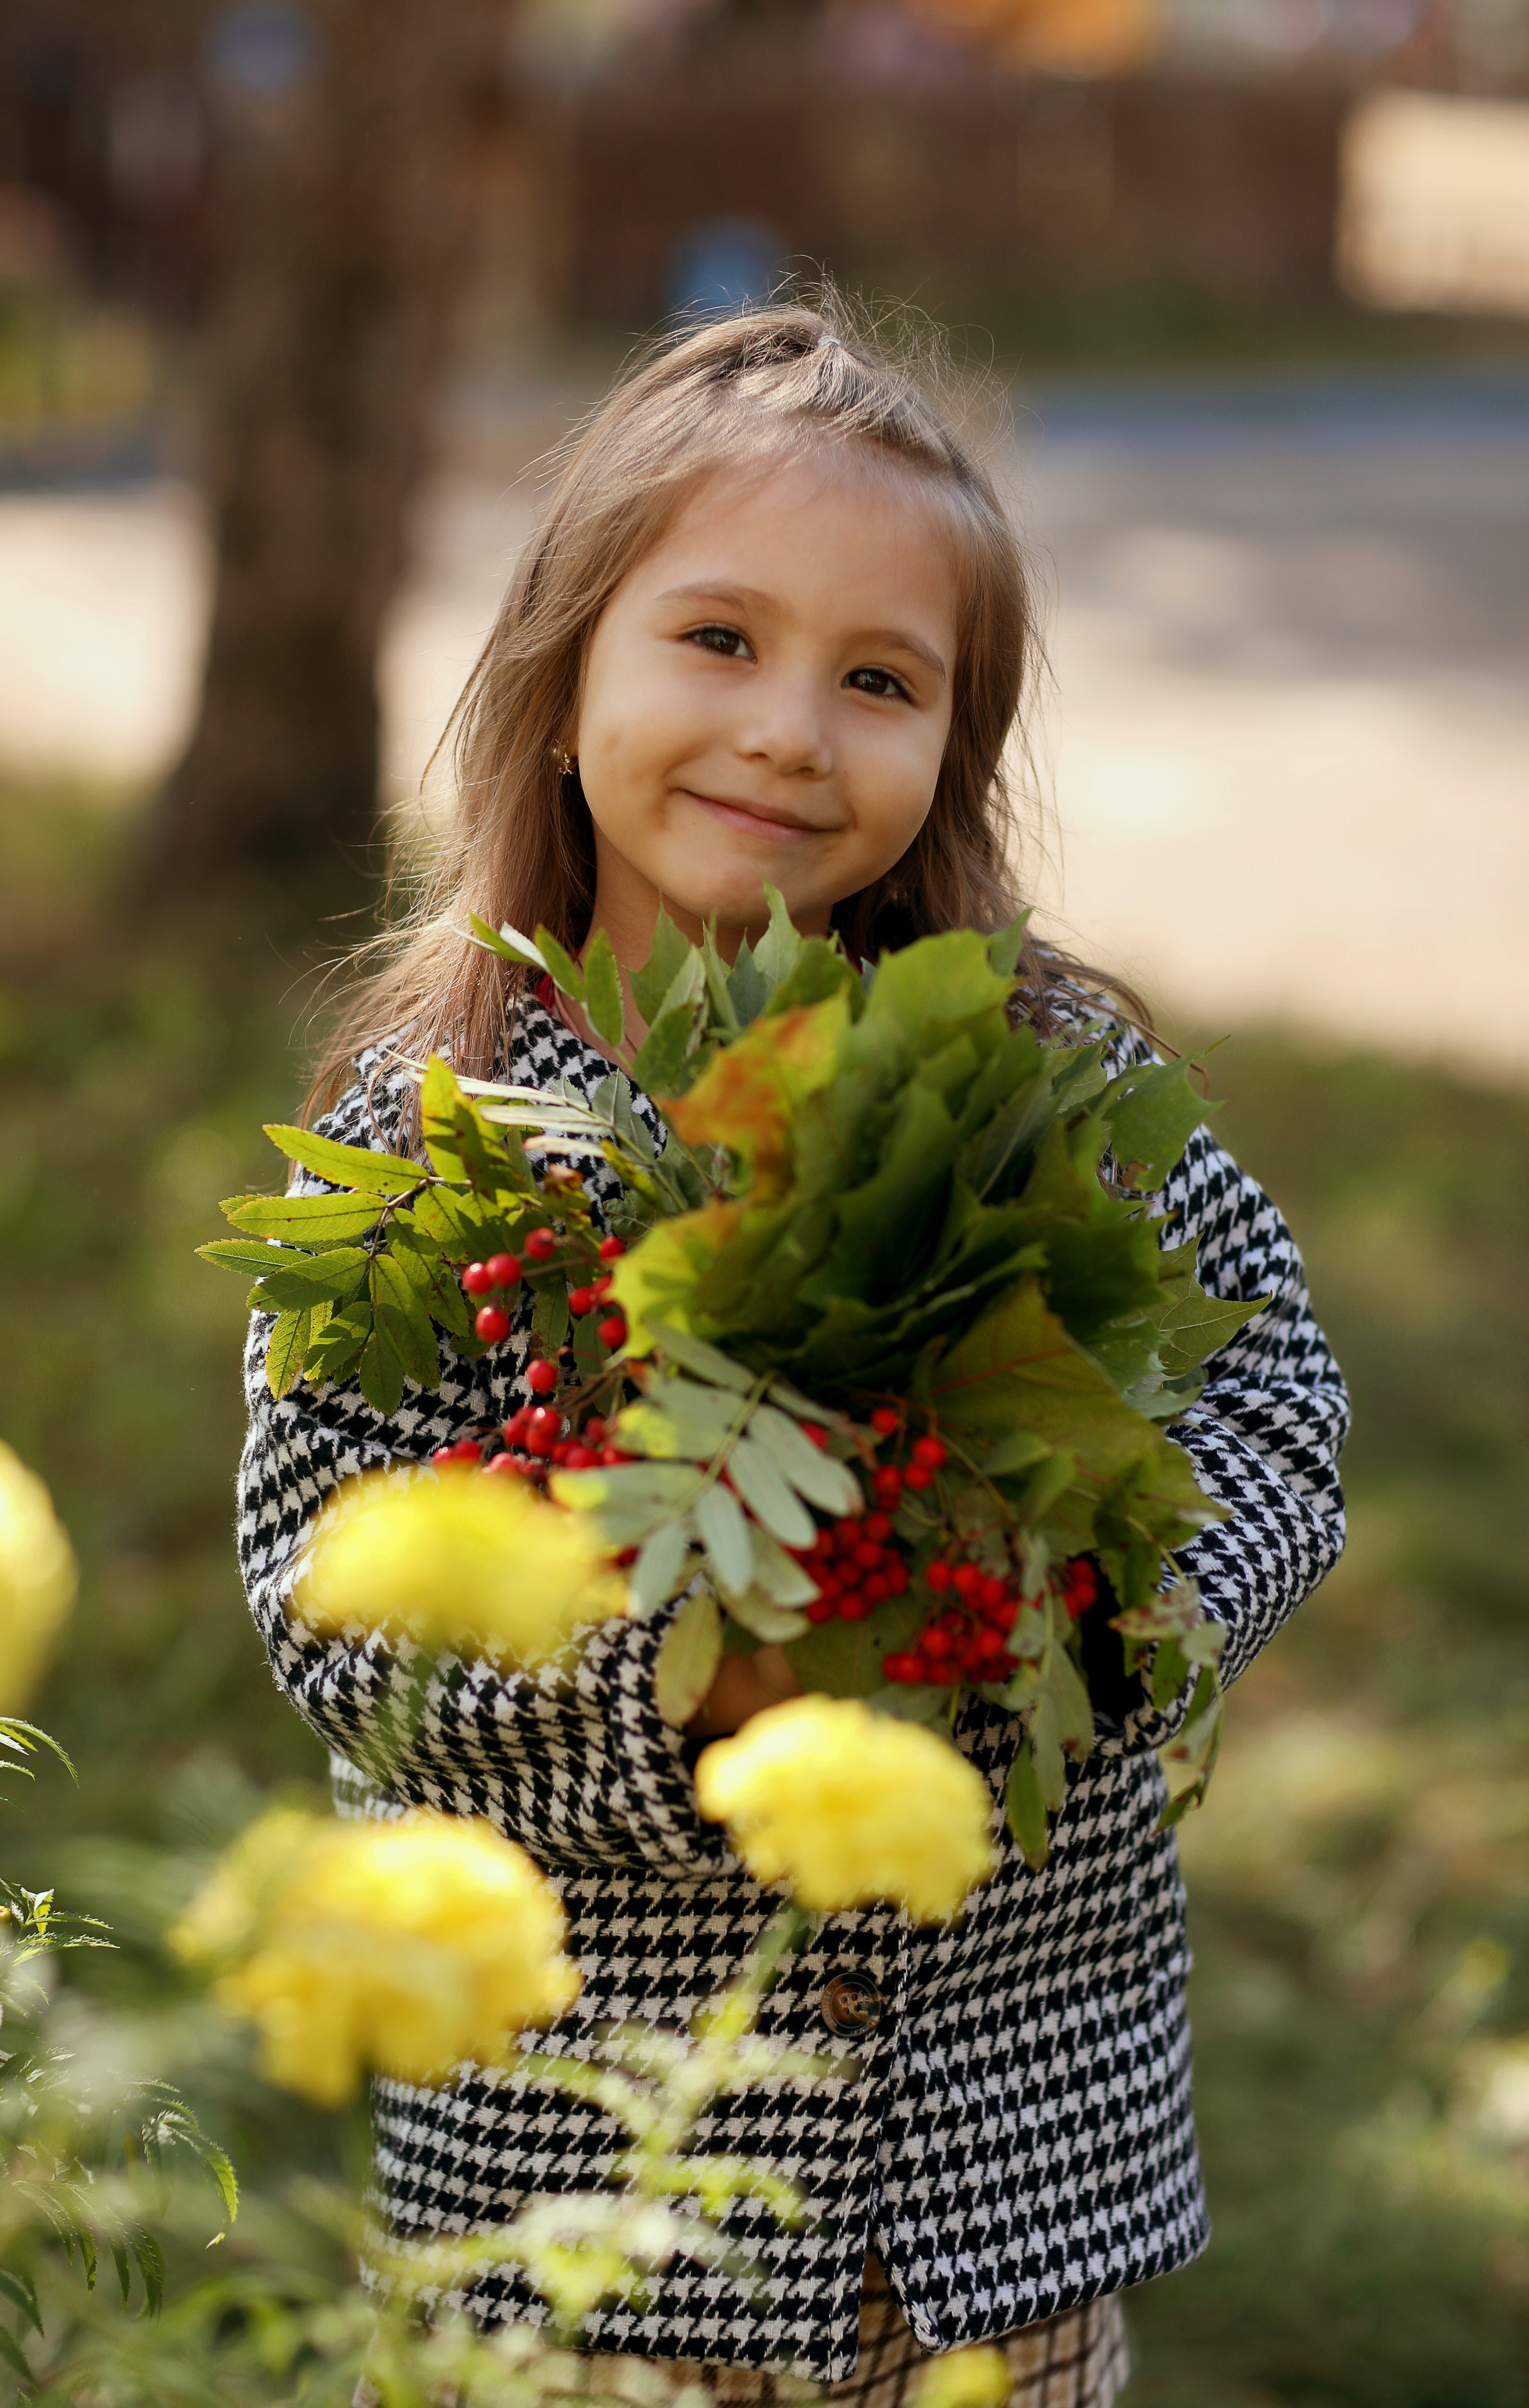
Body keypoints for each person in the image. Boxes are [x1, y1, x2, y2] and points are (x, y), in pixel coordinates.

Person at [237, 304, 1350, 2408]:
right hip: (594, 2223)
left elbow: (1273, 1400)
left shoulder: (1048, 1076)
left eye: (879, 680)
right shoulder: (436, 1137)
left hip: (998, 2231)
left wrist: (1069, 1630)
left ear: (957, 744)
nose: (788, 731)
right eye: (718, 641)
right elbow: (340, 1606)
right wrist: (703, 1705)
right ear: (565, 682)